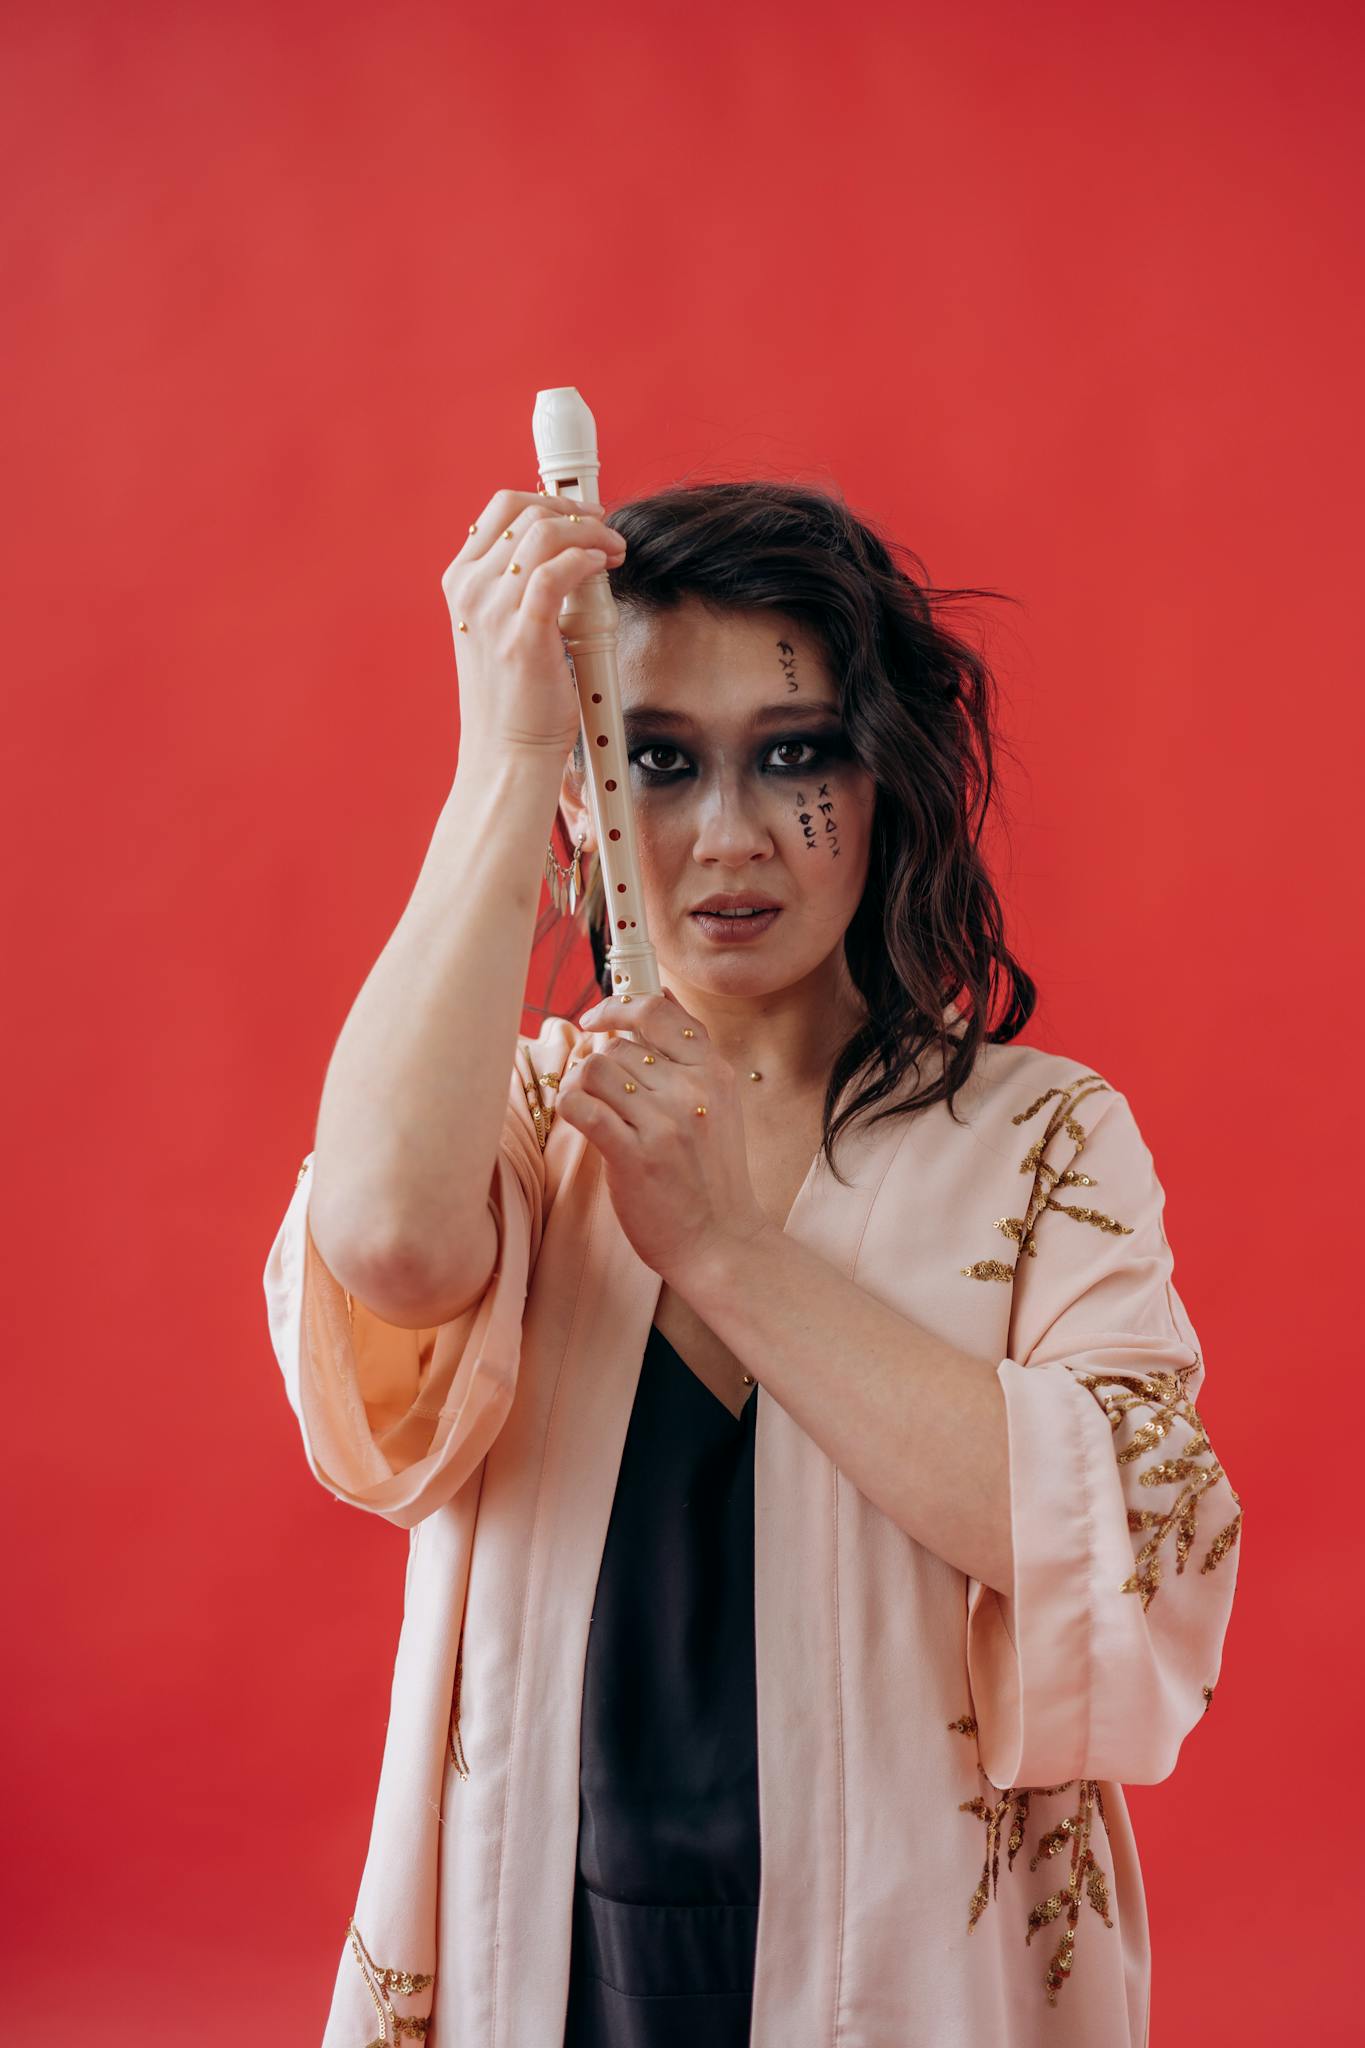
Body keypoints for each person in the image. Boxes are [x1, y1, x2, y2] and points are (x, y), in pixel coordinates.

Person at [263, 479, 1243, 2047]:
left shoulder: (1044, 1139)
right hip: (553, 1967)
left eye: (794, 754)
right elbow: (380, 1241)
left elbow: (1122, 1545)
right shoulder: (524, 1116)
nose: (723, 835)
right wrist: (505, 759)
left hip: (910, 1976)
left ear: (886, 774)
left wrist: (720, 1247)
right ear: (590, 788)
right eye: (653, 758)